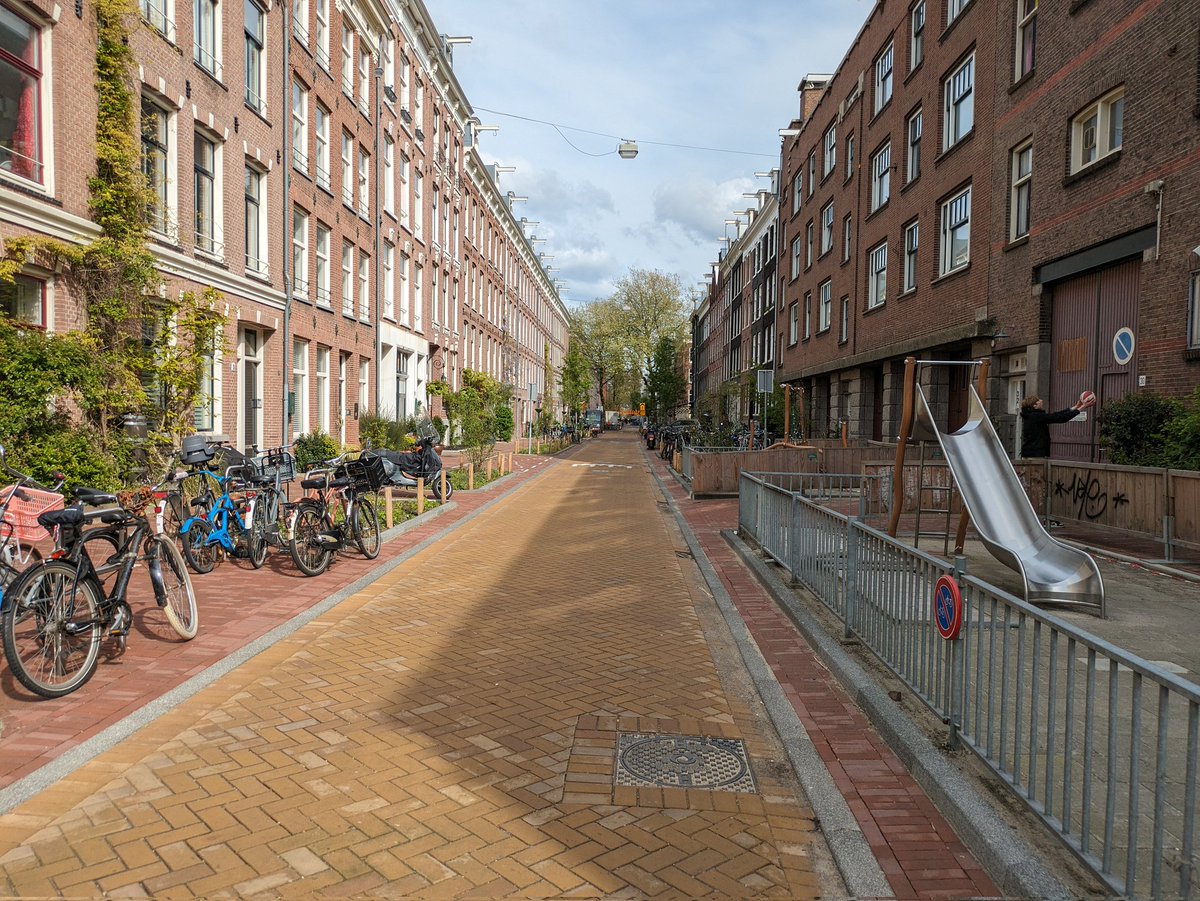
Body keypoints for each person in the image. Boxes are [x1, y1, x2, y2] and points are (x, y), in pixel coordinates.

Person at [1019, 392, 1096, 458]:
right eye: (1038, 400)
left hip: (1029, 453)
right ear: (1034, 406)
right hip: (1035, 454)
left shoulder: (1031, 415)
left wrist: (1075, 407)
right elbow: (1060, 418)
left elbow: (1056, 415)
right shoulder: (1036, 416)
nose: (1041, 400)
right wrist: (1082, 407)